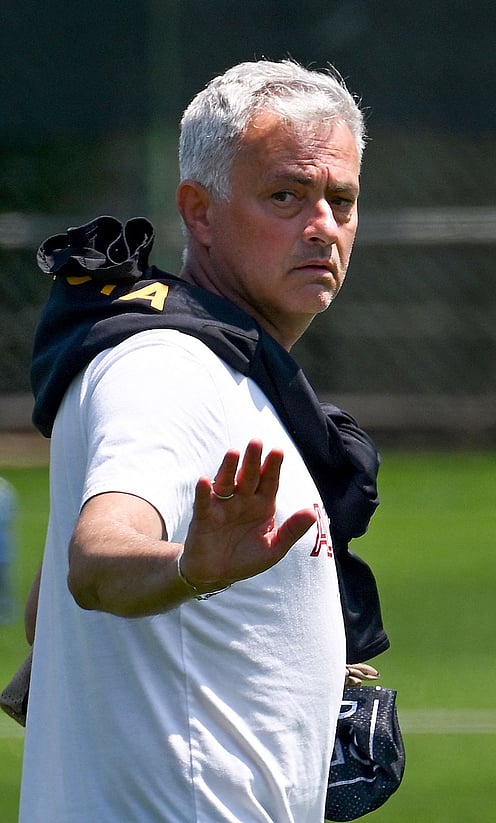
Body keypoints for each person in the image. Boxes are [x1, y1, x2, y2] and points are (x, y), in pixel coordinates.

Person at [19, 60, 385, 822]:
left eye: (340, 200)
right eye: (286, 195)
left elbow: (49, 606)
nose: (321, 224)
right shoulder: (169, 369)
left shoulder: (225, 361)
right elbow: (96, 558)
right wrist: (188, 567)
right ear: (202, 211)